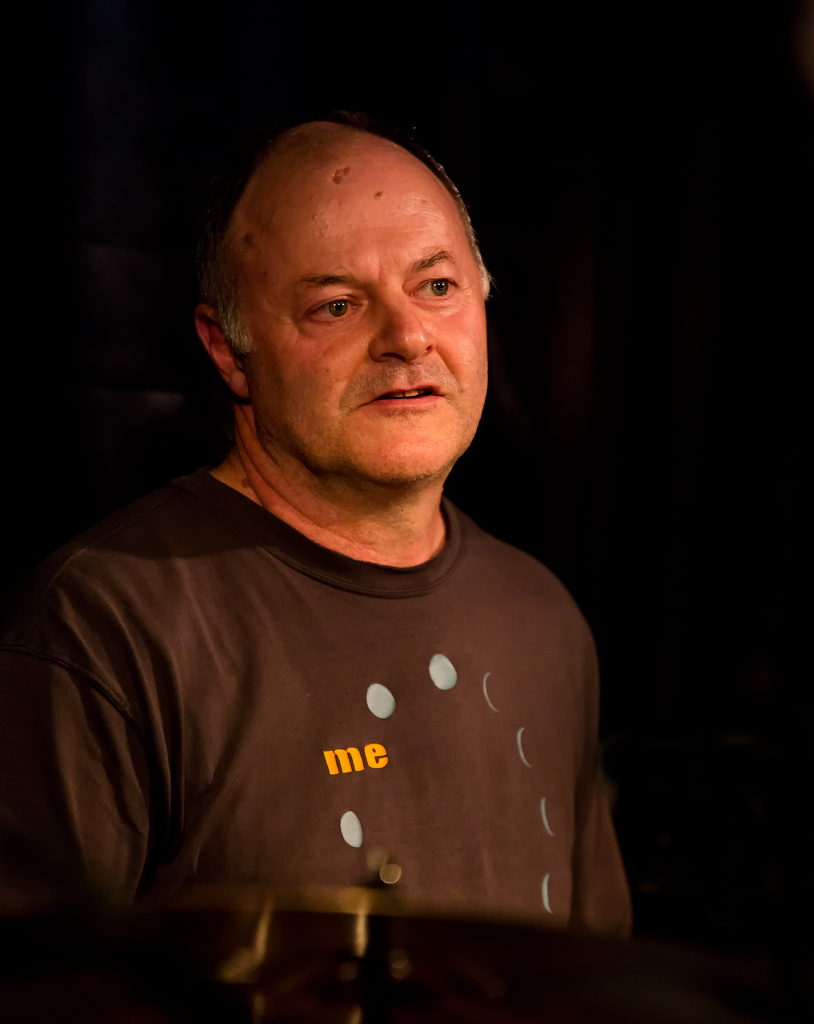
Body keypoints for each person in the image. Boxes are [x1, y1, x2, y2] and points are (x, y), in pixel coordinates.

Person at [0, 112, 631, 935]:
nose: (407, 336)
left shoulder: (542, 616)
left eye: (437, 287)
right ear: (227, 349)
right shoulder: (101, 628)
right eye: (336, 305)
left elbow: (592, 976)